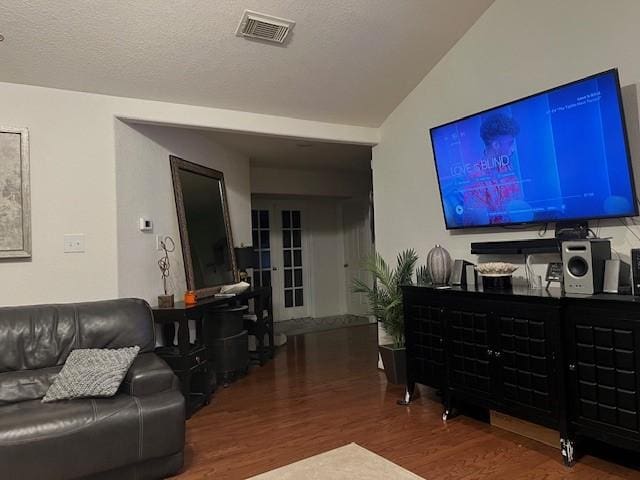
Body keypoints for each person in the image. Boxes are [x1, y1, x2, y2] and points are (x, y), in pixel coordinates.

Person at [462, 112, 530, 225]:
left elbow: (519, 204)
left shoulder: (506, 167)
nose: (513, 149)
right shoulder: (475, 178)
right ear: (496, 145)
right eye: (510, 143)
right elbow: (481, 227)